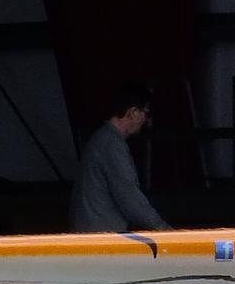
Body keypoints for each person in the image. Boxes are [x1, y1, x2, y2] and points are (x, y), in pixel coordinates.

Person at [69, 82, 169, 232]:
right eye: (146, 113)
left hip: (92, 235)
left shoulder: (102, 140)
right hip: (102, 240)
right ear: (133, 112)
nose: (146, 121)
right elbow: (131, 200)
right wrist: (164, 230)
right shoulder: (111, 146)